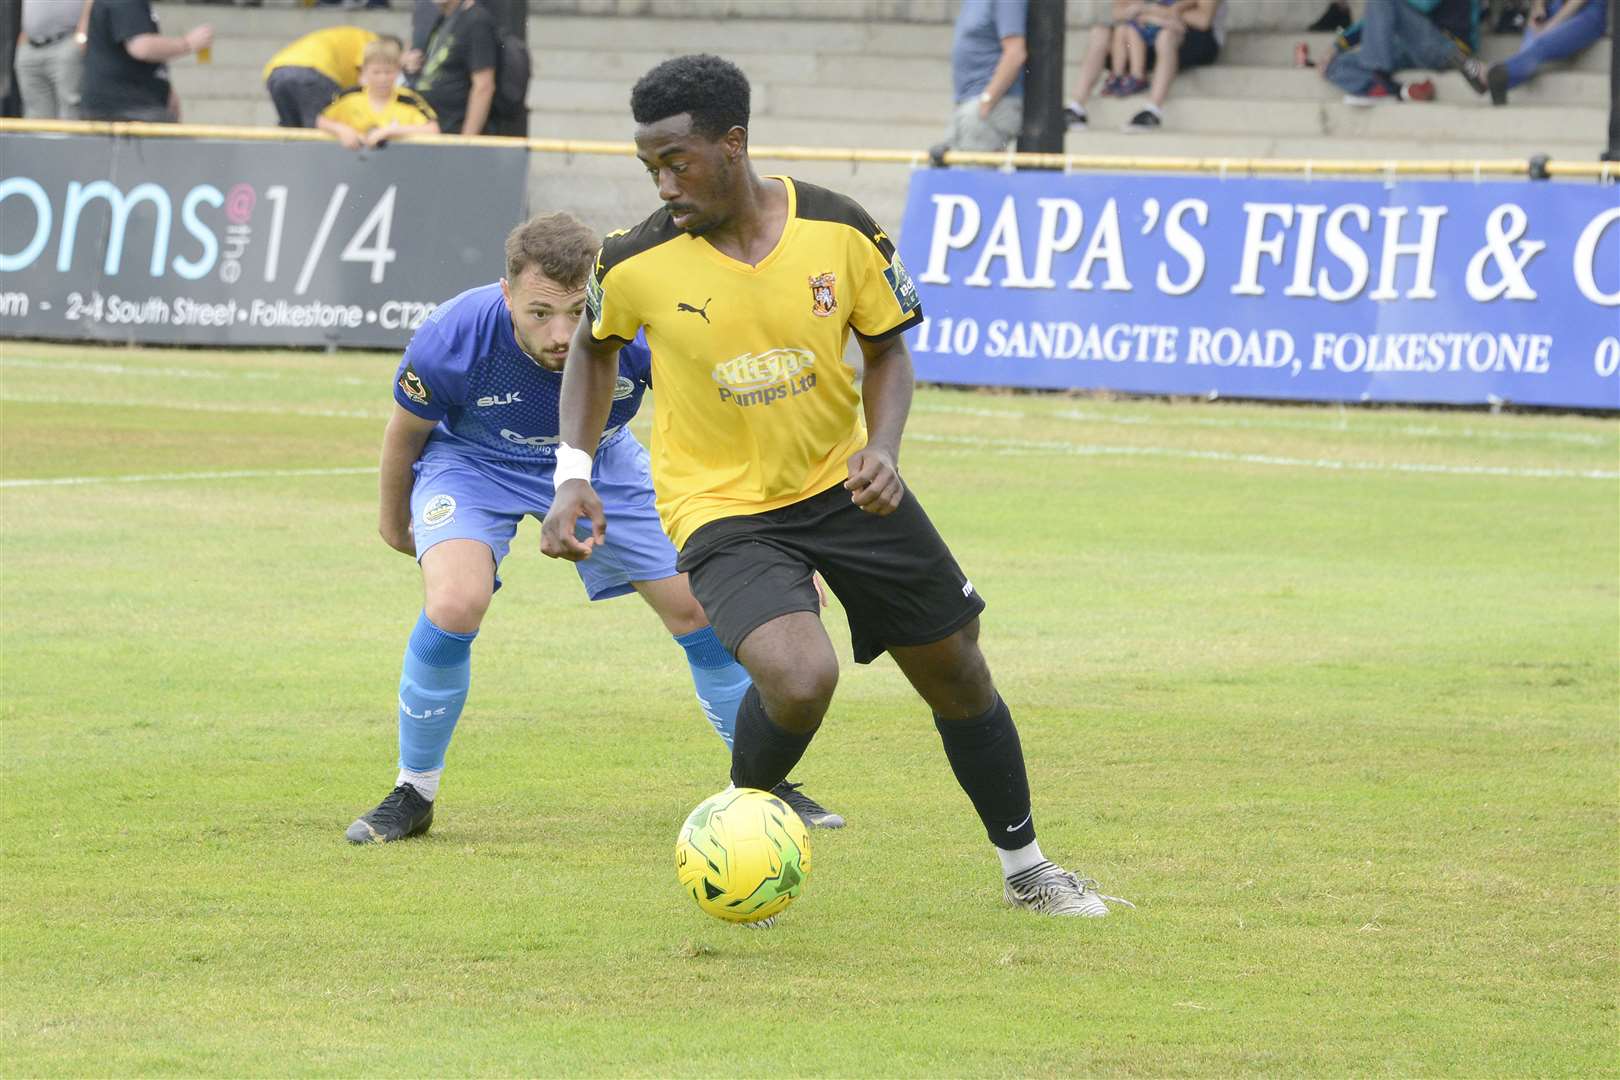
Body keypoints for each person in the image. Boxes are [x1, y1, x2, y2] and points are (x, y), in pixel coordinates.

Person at [541, 55, 1130, 920]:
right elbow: (595, 348)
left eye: (678, 162)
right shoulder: (634, 262)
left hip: (846, 487)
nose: (663, 183)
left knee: (958, 672)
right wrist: (573, 475)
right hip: (722, 506)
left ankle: (1028, 870)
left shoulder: (837, 228)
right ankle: (736, 820)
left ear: (732, 145)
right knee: (801, 676)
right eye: (649, 168)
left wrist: (884, 449)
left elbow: (888, 346)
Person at [347, 210, 844, 845]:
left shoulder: (643, 329)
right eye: (539, 313)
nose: (560, 334)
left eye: (576, 312)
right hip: (473, 464)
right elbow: (404, 435)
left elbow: (727, 429)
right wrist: (394, 523)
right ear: (507, 295)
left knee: (699, 608)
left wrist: (786, 545)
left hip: (602, 457)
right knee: (455, 601)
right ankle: (413, 791)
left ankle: (763, 786)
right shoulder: (451, 338)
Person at [1066, 0, 1225, 133]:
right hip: (1140, 36)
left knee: (1166, 37)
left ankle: (1152, 110)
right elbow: (1117, 11)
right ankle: (1076, 106)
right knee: (1100, 32)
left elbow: (1203, 20)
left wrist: (1157, 12)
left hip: (1192, 37)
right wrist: (1152, 14)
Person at [1323, 0, 1486, 105]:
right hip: (1412, 48)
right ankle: (1397, 90)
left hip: (1448, 46)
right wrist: (1339, 45)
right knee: (1335, 65)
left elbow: (1424, 3)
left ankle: (1378, 77)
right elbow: (1378, 17)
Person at [80, 0, 210, 123]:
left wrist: (166, 90)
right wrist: (187, 43)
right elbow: (142, 46)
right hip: (127, 107)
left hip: (129, 104)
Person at [318, 36, 438, 148]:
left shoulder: (409, 99)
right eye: (376, 72)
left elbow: (433, 129)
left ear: (398, 71)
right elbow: (322, 120)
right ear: (364, 71)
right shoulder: (348, 95)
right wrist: (342, 130)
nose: (383, 79)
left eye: (388, 72)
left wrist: (390, 132)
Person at [1480, 0, 1608, 105]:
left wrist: (1551, 25)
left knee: (1540, 45)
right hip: (1556, 6)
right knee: (1530, 46)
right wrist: (1538, 8)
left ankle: (1495, 73)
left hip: (1587, 11)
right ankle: (1499, 74)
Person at [940, 0, 1027, 153]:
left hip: (991, 104)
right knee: (955, 172)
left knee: (973, 174)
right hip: (970, 105)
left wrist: (986, 102)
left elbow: (1015, 53)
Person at [407, 0, 497, 136]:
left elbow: (483, 86)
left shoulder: (477, 20)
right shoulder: (443, 18)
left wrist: (466, 141)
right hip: (428, 126)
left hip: (453, 131)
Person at [262, 24, 376, 129]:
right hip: (312, 71)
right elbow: (368, 76)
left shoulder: (347, 36)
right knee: (327, 127)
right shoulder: (375, 43)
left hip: (276, 73)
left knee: (292, 130)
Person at [15, 0, 90, 119]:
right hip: (30, 44)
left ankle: (71, 139)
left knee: (70, 108)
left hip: (66, 40)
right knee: (35, 111)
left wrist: (82, 34)